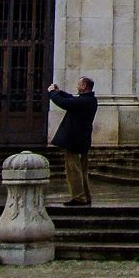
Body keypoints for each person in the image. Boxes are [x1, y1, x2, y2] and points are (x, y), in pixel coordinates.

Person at [48, 76, 98, 207]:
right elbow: (71, 98)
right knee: (82, 170)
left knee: (73, 170)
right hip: (82, 140)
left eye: (79, 84)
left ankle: (78, 197)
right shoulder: (89, 100)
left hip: (74, 140)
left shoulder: (84, 102)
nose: (77, 86)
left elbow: (65, 103)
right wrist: (59, 91)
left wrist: (52, 93)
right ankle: (85, 196)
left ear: (84, 86)